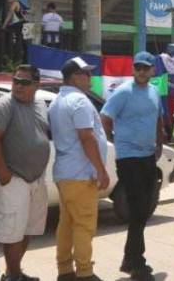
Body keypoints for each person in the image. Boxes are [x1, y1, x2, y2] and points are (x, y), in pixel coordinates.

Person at [100, 52, 165, 280]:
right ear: (133, 69)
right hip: (128, 158)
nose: (141, 71)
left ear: (152, 70)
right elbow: (105, 117)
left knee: (145, 208)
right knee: (138, 209)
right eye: (138, 67)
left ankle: (131, 258)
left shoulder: (154, 92)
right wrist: (114, 140)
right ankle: (136, 262)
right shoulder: (123, 92)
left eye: (145, 68)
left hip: (148, 156)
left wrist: (159, 142)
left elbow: (158, 118)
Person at [0, 65, 50, 281]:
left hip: (36, 179)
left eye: (24, 82)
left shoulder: (40, 103)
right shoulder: (3, 105)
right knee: (12, 232)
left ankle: (14, 273)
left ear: (36, 84)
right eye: (16, 81)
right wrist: (3, 172)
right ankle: (13, 276)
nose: (18, 86)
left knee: (28, 229)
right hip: (13, 179)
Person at [49, 57, 109, 281]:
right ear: (75, 76)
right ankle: (85, 272)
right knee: (84, 224)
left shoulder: (58, 101)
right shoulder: (79, 101)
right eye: (86, 73)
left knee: (67, 224)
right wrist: (101, 170)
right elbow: (87, 137)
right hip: (80, 173)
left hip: (65, 173)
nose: (90, 77)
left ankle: (65, 270)